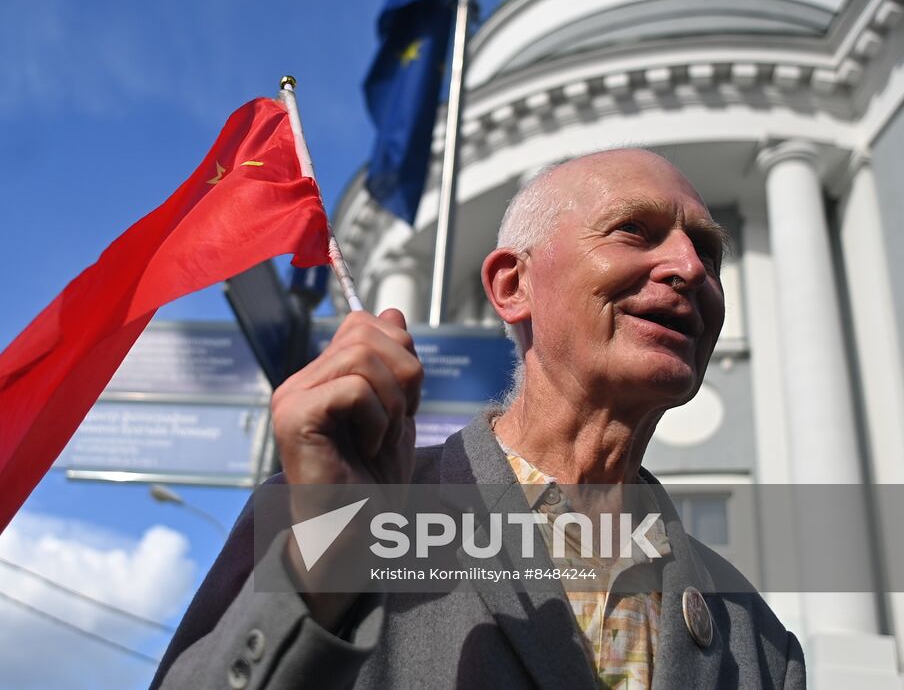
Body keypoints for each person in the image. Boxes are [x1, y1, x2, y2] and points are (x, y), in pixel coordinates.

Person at [151, 148, 804, 689]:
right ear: (513, 287)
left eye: (707, 252)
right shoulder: (331, 513)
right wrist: (322, 569)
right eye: (634, 230)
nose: (689, 268)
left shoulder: (757, 637)